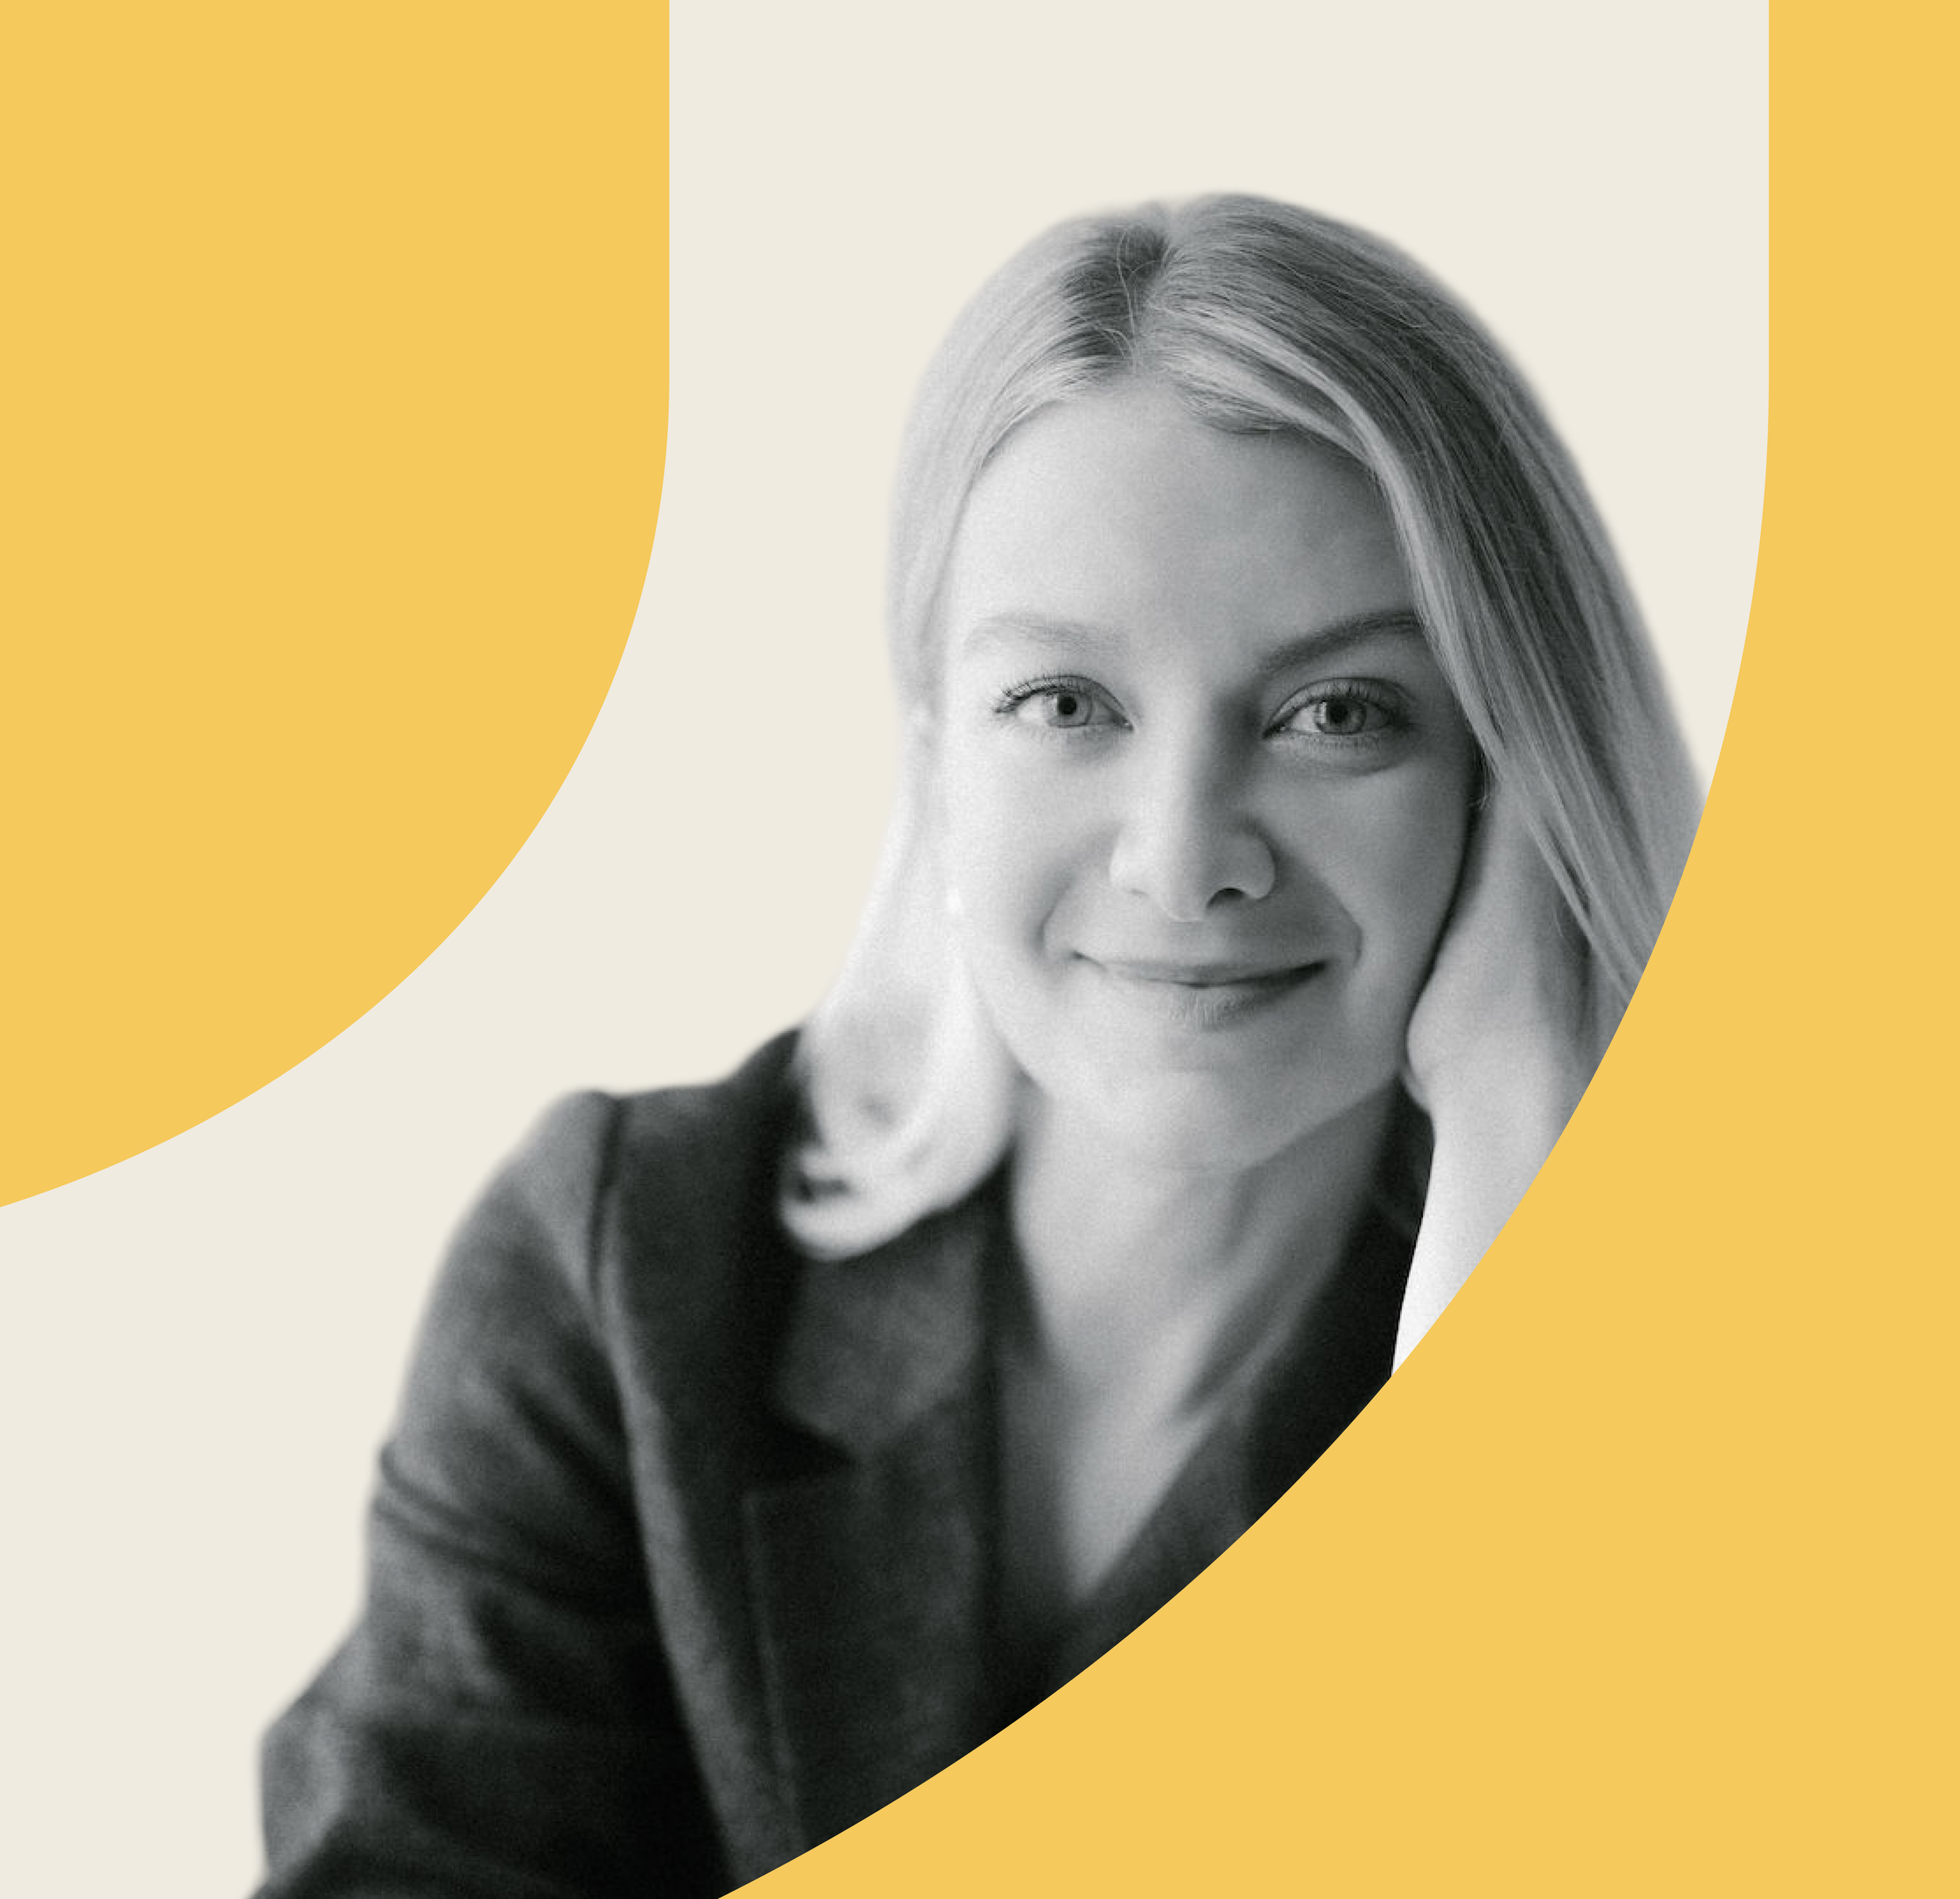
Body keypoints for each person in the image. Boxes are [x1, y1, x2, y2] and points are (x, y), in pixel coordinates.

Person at [258, 195, 1699, 1896]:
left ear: (1508, 772)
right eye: (1064, 704)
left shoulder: (1744, 1377)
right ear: (938, 751)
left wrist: (1532, 1182)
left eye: (1338, 713)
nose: (1180, 855)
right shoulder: (633, 1265)